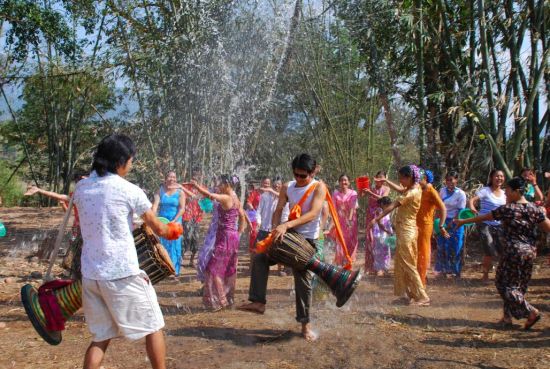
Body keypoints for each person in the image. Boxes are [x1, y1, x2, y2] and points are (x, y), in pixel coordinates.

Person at [73, 133, 182, 369]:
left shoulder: (81, 188)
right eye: (130, 161)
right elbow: (158, 228)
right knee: (153, 326)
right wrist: (172, 230)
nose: (130, 166)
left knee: (100, 337)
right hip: (121, 273)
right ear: (120, 161)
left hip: (91, 274)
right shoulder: (129, 190)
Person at [239, 153, 327, 341]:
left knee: (302, 280)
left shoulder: (319, 187)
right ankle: (258, 301)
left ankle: (305, 325)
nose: (299, 179)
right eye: (296, 174)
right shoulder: (288, 187)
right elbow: (279, 209)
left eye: (303, 176)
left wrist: (286, 225)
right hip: (288, 237)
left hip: (306, 241)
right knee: (260, 258)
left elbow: (313, 214)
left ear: (313, 173)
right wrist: (275, 229)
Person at [455, 177, 550, 330]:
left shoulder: (508, 209)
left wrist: (463, 222)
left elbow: (484, 217)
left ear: (516, 191)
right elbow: (548, 227)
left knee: (503, 284)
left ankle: (531, 311)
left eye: (508, 190)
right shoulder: (535, 209)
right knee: (518, 286)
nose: (505, 192)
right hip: (530, 252)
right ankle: (507, 318)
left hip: (513, 252)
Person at [368, 165, 429, 305]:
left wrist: (376, 219)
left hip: (407, 232)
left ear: (409, 177)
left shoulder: (411, 193)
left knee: (408, 264)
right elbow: (401, 189)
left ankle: (423, 296)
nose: (400, 180)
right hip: (405, 231)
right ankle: (408, 295)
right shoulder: (414, 188)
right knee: (401, 264)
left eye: (402, 178)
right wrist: (386, 181)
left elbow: (392, 205)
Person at [190, 175, 246, 311]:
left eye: (220, 184)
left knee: (212, 269)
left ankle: (218, 301)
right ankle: (229, 298)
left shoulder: (227, 198)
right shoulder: (235, 196)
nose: (218, 186)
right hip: (231, 236)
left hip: (225, 237)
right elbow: (242, 216)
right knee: (229, 269)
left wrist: (197, 187)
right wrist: (238, 233)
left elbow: (209, 195)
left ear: (227, 184)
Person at [468, 169, 506, 281]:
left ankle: (501, 275)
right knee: (489, 249)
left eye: (501, 176)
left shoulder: (504, 194)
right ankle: (485, 275)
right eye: (497, 176)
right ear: (491, 178)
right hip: (484, 223)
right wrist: (472, 207)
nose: (499, 178)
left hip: (499, 224)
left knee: (502, 250)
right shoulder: (485, 191)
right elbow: (472, 200)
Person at [416, 169, 448, 286]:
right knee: (416, 252)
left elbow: (443, 208)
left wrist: (441, 225)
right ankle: (418, 278)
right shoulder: (419, 189)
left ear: (425, 179)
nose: (417, 181)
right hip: (415, 225)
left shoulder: (431, 191)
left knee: (423, 252)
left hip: (425, 225)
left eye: (419, 179)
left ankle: (422, 280)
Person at [152, 171, 185, 276]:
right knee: (163, 245)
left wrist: (174, 220)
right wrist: (152, 218)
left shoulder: (180, 192)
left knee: (175, 246)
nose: (172, 179)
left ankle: (175, 271)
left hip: (175, 222)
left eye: (174, 177)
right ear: (166, 178)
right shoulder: (160, 190)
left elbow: (182, 208)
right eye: (170, 177)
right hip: (163, 222)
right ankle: (164, 270)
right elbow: (155, 206)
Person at [435, 171, 467, 278]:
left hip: (456, 223)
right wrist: (438, 223)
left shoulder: (461, 194)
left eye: (452, 179)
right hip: (443, 222)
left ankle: (455, 271)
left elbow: (461, 212)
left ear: (456, 180)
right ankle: (442, 270)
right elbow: (439, 207)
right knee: (442, 245)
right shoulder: (442, 191)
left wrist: (451, 223)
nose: (450, 181)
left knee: (455, 246)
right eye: (448, 179)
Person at [361, 171, 390, 273]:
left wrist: (370, 193)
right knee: (370, 239)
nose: (379, 180)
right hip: (371, 216)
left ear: (385, 178)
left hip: (382, 216)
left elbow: (383, 199)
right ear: (375, 178)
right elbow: (362, 195)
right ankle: (370, 266)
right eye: (378, 178)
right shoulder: (372, 189)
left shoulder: (387, 188)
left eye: (381, 178)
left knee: (380, 240)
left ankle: (380, 267)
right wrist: (363, 185)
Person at [331, 174, 359, 265]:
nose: (344, 182)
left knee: (351, 241)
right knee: (340, 241)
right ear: (339, 182)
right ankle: (340, 262)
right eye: (342, 180)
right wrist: (332, 223)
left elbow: (352, 207)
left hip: (351, 221)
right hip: (339, 221)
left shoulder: (353, 193)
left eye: (346, 180)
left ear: (349, 182)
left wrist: (350, 220)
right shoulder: (335, 194)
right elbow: (333, 208)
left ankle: (349, 261)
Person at [181, 169, 204, 268]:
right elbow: (181, 198)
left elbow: (206, 202)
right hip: (187, 216)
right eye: (193, 177)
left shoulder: (202, 189)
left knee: (196, 239)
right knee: (187, 237)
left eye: (197, 177)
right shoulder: (185, 187)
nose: (194, 180)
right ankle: (180, 259)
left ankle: (192, 261)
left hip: (197, 218)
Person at [372, 196, 393, 276]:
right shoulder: (380, 211)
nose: (388, 207)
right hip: (381, 234)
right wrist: (387, 231)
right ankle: (379, 269)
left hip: (383, 234)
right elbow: (380, 224)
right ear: (382, 204)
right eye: (387, 205)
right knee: (381, 252)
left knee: (383, 252)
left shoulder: (384, 211)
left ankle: (384, 269)